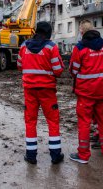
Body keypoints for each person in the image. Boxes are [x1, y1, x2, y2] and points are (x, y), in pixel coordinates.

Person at [17, 21, 65, 165]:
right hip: (47, 91)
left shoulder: (24, 46)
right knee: (53, 121)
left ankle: (31, 156)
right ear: (48, 33)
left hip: (29, 90)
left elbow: (19, 66)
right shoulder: (51, 47)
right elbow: (58, 70)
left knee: (30, 122)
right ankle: (55, 155)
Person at [69, 19, 103, 164]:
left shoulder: (80, 48)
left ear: (82, 31)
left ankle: (83, 155)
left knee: (84, 123)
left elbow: (73, 70)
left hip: (86, 92)